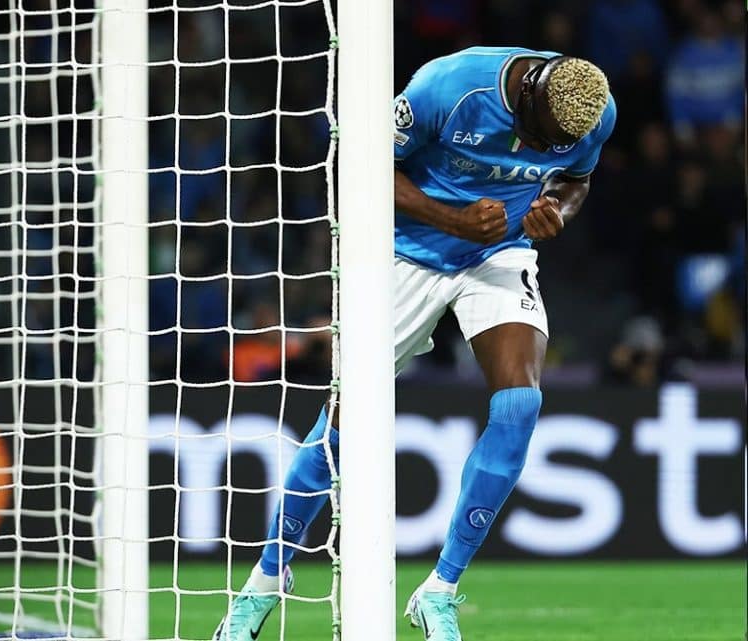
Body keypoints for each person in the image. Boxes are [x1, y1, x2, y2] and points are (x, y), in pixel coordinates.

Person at [213, 47, 615, 641]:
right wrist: (448, 218)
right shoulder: (448, 86)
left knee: (520, 404)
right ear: (527, 92)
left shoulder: (591, 110)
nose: (533, 152)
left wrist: (556, 208)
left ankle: (440, 590)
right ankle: (267, 578)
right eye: (533, 136)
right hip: (406, 253)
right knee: (344, 423)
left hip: (496, 253)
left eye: (546, 146)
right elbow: (362, 164)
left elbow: (577, 179)